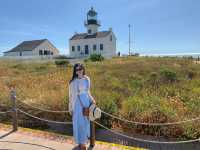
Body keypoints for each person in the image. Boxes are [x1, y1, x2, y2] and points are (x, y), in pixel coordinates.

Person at [68, 63, 96, 150]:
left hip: (86, 102)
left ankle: (83, 141)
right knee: (78, 124)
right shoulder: (73, 82)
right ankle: (81, 143)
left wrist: (92, 100)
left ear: (83, 69)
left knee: (85, 123)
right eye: (77, 70)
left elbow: (88, 91)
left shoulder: (87, 79)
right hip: (77, 104)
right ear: (75, 72)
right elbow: (71, 96)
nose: (79, 71)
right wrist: (71, 108)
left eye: (80, 69)